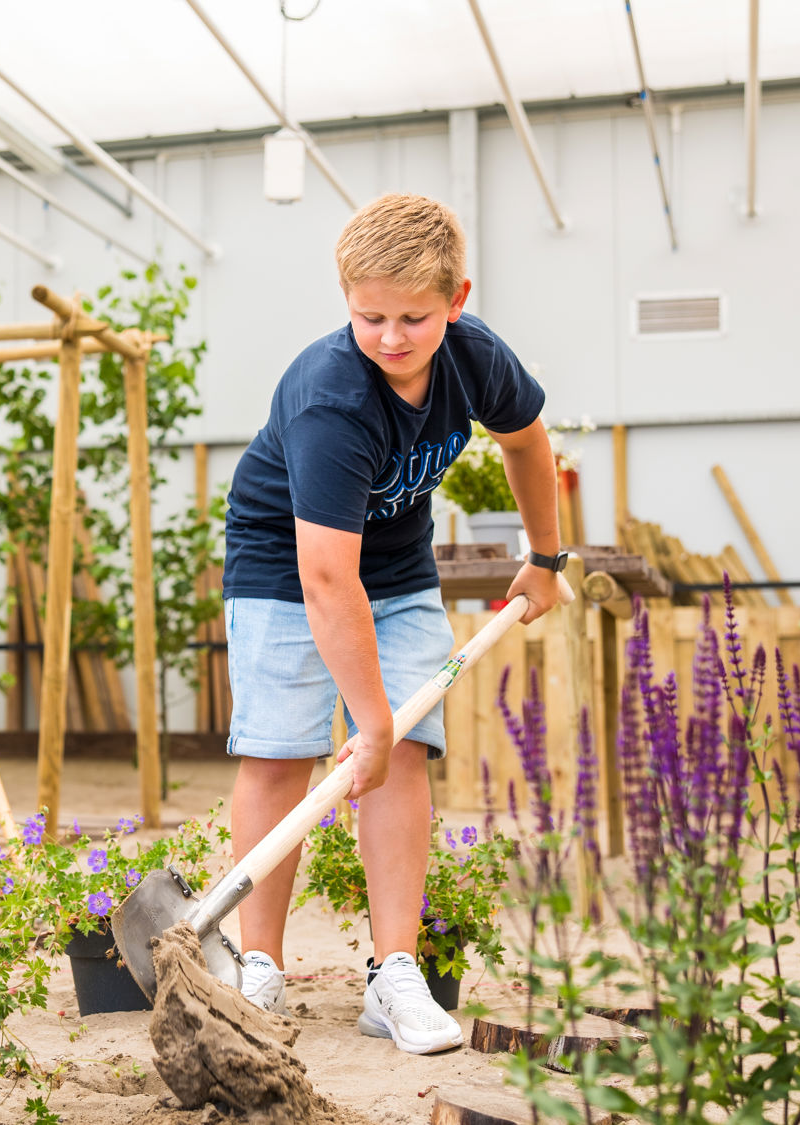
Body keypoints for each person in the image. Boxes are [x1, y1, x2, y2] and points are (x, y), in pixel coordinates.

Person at [222, 194, 563, 1054]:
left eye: (415, 316)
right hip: (284, 561)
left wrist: (547, 556)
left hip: (400, 563)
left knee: (407, 751)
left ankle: (395, 972)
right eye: (369, 315)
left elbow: (526, 442)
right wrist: (364, 719)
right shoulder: (330, 398)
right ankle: (256, 963)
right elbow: (327, 576)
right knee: (280, 750)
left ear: (457, 297)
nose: (392, 337)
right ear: (346, 300)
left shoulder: (476, 359)